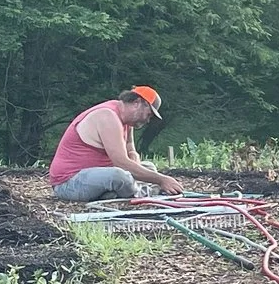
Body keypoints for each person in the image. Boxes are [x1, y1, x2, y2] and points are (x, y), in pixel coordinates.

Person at [47, 86, 184, 202]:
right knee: (120, 176)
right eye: (148, 114)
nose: (147, 120)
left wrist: (134, 158)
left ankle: (111, 194)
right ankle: (144, 194)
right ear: (137, 102)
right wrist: (161, 180)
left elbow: (130, 148)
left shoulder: (126, 120)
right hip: (68, 183)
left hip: (95, 175)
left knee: (149, 166)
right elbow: (121, 163)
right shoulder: (108, 117)